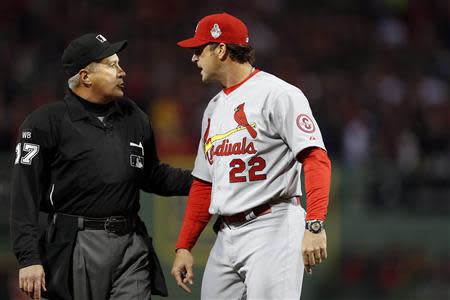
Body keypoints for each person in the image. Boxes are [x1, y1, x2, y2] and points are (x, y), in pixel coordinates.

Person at [10, 33, 192, 300]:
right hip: (77, 242)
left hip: (132, 242)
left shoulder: (134, 116)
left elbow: (152, 175)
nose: (122, 72)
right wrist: (28, 258)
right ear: (85, 77)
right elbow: (23, 195)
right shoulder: (45, 122)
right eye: (112, 65)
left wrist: (202, 179)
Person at [171, 13, 332, 299]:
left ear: (221, 49)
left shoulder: (279, 94)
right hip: (225, 233)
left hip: (273, 223)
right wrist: (185, 245)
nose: (194, 58)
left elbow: (315, 158)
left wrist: (315, 224)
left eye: (199, 50)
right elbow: (203, 184)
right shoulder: (213, 108)